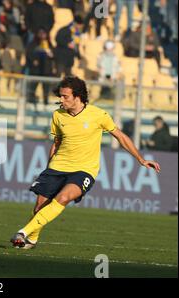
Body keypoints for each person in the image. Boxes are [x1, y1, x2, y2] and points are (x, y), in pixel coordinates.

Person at [10, 76, 161, 249]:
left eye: (65, 96)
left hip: (84, 170)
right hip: (57, 166)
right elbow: (57, 142)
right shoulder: (58, 115)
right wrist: (48, 167)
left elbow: (120, 136)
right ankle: (32, 238)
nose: (61, 99)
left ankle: (22, 232)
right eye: (60, 96)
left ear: (77, 96)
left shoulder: (98, 115)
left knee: (63, 198)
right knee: (39, 207)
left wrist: (141, 159)